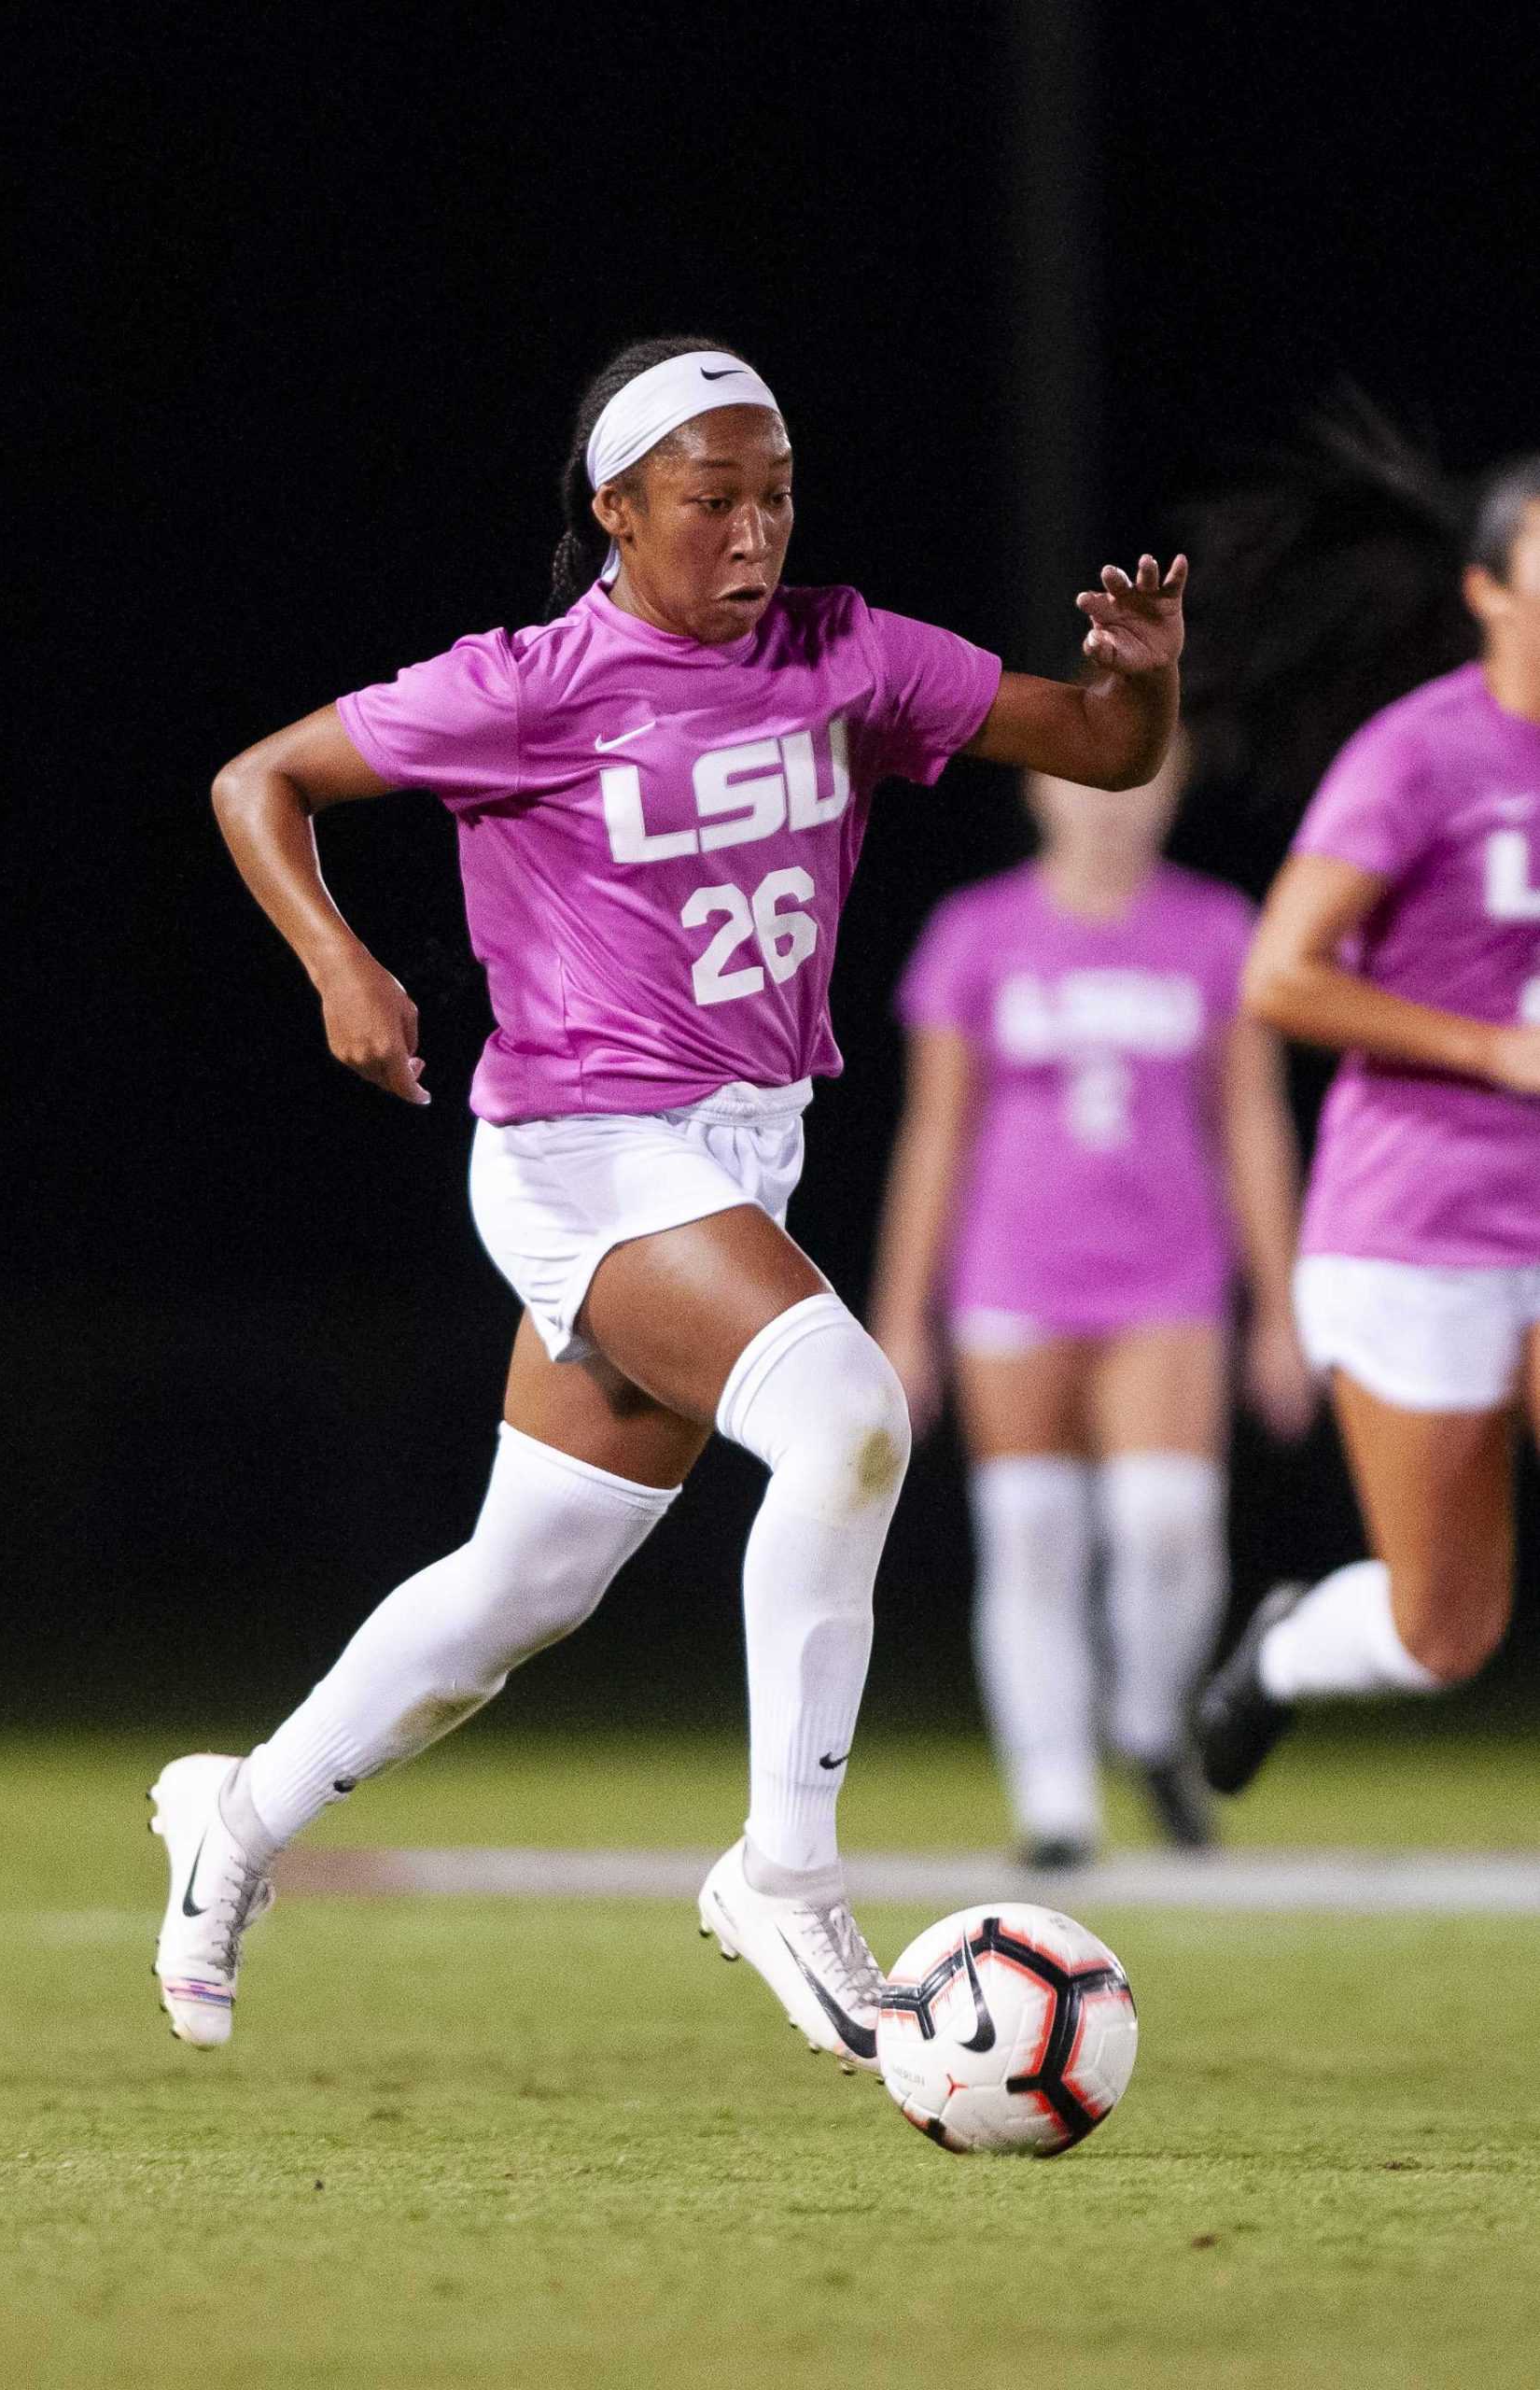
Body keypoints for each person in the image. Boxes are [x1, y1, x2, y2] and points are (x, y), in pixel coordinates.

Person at [151, 335, 1186, 2066]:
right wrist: (340, 963)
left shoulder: (846, 650)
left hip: (740, 1147)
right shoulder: (532, 679)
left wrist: (1144, 675)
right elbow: (257, 780)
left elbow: (1094, 747)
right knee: (851, 1416)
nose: (754, 532)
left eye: (775, 495)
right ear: (617, 509)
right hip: (583, 1147)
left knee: (523, 1585)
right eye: (712, 501)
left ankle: (235, 1821)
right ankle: (784, 1874)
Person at [872, 737, 1312, 1867]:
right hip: (1012, 1273)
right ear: (1038, 784)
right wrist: (902, 1313)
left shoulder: (1217, 929)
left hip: (1168, 1276)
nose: (1110, 803)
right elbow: (936, 1130)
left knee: (1166, 1523)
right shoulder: (978, 932)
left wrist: (1281, 1303)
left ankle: (1150, 1719)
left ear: (1173, 788)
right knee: (1031, 1537)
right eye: (1086, 775)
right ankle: (1055, 1800)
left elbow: (1253, 1121)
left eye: (1138, 778)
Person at [1195, 440, 1540, 1790]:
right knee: (1443, 1628)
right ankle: (1283, 1650)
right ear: (1488, 590)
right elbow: (1277, 974)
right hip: (1423, 1218)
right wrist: (1495, 1053)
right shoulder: (1422, 755)